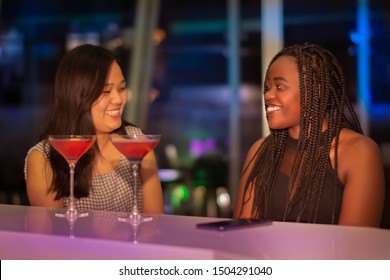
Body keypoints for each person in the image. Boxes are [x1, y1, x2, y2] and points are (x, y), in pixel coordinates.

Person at [233, 43, 385, 227]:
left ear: (316, 90)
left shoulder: (358, 152)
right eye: (267, 87)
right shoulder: (260, 151)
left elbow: (356, 246)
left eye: (279, 86)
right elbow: (242, 235)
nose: (267, 95)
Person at [24, 44, 164, 214]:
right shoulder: (45, 157)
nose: (118, 99)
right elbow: (48, 237)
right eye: (106, 91)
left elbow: (155, 223)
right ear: (77, 97)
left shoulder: (136, 141)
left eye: (121, 88)